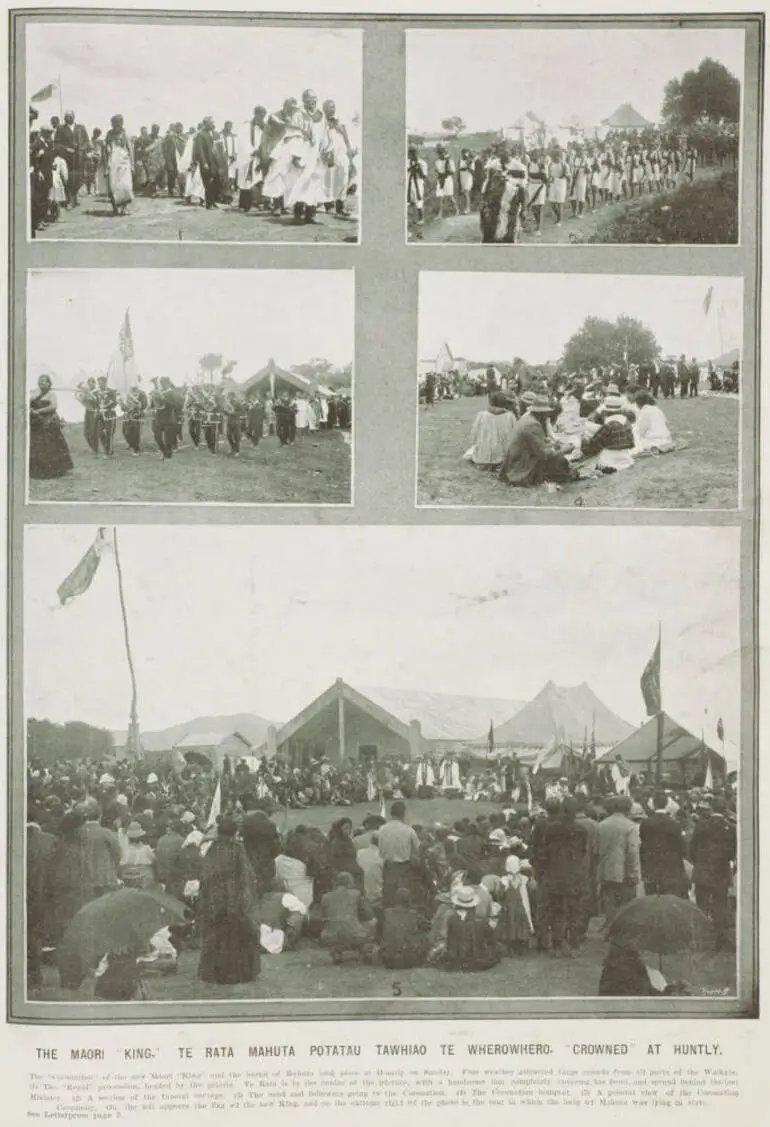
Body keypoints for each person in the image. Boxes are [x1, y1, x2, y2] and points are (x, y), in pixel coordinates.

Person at [198, 815, 260, 984]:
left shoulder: (213, 850)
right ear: (234, 832)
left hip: (215, 903)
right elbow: (247, 878)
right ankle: (237, 973)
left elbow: (205, 878)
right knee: (236, 937)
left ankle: (216, 973)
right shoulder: (237, 849)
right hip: (235, 902)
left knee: (217, 937)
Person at [690, 797, 736, 951]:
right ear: (725, 809)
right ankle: (720, 938)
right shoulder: (731, 828)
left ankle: (700, 939)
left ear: (711, 808)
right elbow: (732, 852)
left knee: (701, 905)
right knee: (720, 905)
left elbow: (693, 847)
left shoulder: (702, 825)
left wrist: (699, 862)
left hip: (702, 871)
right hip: (720, 872)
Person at [499, 394, 575, 487]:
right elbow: (544, 455)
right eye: (547, 413)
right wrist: (565, 450)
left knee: (558, 458)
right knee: (559, 461)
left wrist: (553, 445)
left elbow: (538, 445)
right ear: (542, 413)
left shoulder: (528, 419)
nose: (548, 415)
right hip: (520, 469)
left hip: (515, 463)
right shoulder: (533, 425)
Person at [595, 795, 641, 926]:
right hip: (624, 871)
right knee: (626, 904)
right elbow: (632, 851)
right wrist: (634, 872)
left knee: (610, 901)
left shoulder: (601, 825)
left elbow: (597, 849)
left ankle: (610, 927)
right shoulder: (630, 826)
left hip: (606, 869)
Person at [319, 871, 376, 963]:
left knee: (336, 927)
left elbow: (322, 918)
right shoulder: (356, 894)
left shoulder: (325, 897)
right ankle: (365, 951)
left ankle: (335, 952)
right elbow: (368, 915)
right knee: (372, 922)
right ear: (350, 882)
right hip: (354, 935)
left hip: (331, 936)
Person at [639, 791, 687, 896]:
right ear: (666, 804)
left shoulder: (646, 823)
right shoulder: (675, 824)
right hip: (670, 868)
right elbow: (681, 847)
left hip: (651, 866)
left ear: (654, 804)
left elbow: (643, 841)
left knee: (651, 899)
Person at [443, 885, 500, 971]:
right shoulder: (479, 921)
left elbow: (449, 939)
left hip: (455, 957)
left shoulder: (452, 918)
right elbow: (491, 938)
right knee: (497, 951)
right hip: (474, 958)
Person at [29, 374, 74, 480]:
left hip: (49, 422)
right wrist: (31, 410)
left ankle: (56, 470)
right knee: (37, 445)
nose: (41, 383)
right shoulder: (34, 393)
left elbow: (53, 406)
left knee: (52, 445)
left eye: (44, 381)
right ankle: (38, 470)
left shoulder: (51, 394)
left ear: (49, 383)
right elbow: (29, 404)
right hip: (36, 422)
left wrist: (39, 411)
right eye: (40, 381)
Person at [378, 800, 422, 908]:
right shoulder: (409, 830)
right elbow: (417, 849)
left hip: (387, 867)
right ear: (403, 814)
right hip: (403, 868)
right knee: (403, 898)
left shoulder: (382, 830)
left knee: (388, 897)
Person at [464, 393, 517, 469]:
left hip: (481, 458)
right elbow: (514, 437)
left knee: (471, 452)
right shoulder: (510, 416)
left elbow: (473, 435)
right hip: (502, 458)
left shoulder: (481, 415)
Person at [380, 887, 428, 969]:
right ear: (408, 899)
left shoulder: (386, 913)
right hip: (409, 960)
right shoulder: (413, 914)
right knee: (423, 935)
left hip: (387, 960)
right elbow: (428, 926)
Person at [321, 99, 354, 216]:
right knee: (329, 178)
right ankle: (329, 205)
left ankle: (341, 205)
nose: (332, 109)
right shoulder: (321, 121)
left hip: (342, 152)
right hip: (329, 152)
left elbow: (345, 136)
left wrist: (349, 150)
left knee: (343, 178)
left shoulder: (339, 121)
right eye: (330, 107)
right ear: (324, 108)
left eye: (333, 107)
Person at [103, 115, 134, 216]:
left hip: (124, 163)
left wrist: (132, 165)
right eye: (115, 123)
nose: (117, 125)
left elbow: (130, 150)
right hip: (113, 163)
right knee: (114, 186)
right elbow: (106, 151)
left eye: (119, 123)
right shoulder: (109, 135)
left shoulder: (125, 135)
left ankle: (124, 208)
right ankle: (115, 208)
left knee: (125, 186)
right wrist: (106, 167)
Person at [118, 821, 156, 889]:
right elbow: (155, 862)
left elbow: (119, 867)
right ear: (141, 837)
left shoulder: (123, 851)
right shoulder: (146, 849)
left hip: (127, 881)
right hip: (144, 883)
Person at [193, 117, 220, 209]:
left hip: (213, 162)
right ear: (206, 123)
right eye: (211, 123)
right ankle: (209, 204)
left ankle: (213, 201)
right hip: (206, 162)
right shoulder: (200, 135)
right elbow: (200, 150)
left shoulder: (211, 134)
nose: (213, 124)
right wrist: (203, 162)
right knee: (207, 183)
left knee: (214, 182)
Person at [434, 144, 458, 219]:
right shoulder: (437, 162)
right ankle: (440, 214)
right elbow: (438, 171)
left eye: (442, 152)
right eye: (439, 153)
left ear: (444, 153)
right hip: (440, 180)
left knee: (450, 196)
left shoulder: (449, 161)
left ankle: (457, 209)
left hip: (447, 179)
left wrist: (448, 168)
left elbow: (453, 171)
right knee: (441, 197)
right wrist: (438, 174)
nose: (440, 154)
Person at [407, 145, 428, 225]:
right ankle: (410, 219)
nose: (412, 154)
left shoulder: (422, 163)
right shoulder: (407, 162)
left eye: (414, 152)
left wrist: (419, 170)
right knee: (409, 201)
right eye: (411, 153)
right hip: (409, 182)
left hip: (418, 183)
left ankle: (421, 218)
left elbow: (424, 176)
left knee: (418, 200)